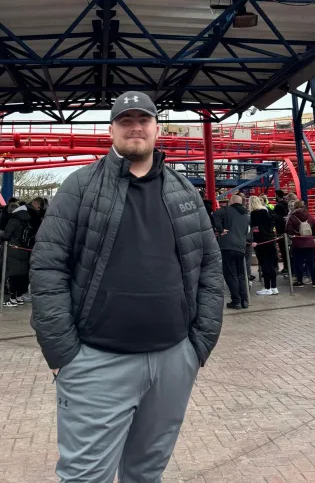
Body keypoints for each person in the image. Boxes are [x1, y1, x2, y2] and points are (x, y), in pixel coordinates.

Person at [30, 91, 223, 483]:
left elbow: (210, 267)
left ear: (156, 128)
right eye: (125, 120)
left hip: (174, 360)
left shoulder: (184, 192)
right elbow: (47, 267)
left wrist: (199, 345)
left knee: (147, 472)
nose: (135, 127)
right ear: (111, 130)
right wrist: (61, 353)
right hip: (96, 362)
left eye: (144, 119)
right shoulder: (79, 187)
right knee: (86, 475)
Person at [213, 193, 250, 309]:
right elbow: (248, 232)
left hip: (228, 246)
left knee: (230, 274)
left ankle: (236, 301)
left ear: (231, 202)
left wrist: (219, 229)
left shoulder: (226, 210)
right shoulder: (246, 214)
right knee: (241, 275)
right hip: (241, 247)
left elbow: (215, 215)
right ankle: (244, 300)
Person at [2, 200, 32, 306]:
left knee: (13, 274)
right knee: (21, 273)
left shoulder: (13, 221)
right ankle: (19, 296)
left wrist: (1, 235)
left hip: (13, 249)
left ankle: (12, 298)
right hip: (24, 249)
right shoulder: (27, 220)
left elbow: (6, 235)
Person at [285, 200, 315, 288]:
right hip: (309, 242)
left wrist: (293, 235)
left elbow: (288, 230)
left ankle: (300, 282)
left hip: (297, 242)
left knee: (298, 263)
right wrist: (313, 237)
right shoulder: (309, 216)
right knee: (311, 263)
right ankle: (314, 282)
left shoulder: (292, 217)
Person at [249, 195, 279, 296]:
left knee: (264, 264)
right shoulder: (267, 211)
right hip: (271, 239)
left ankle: (267, 288)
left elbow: (255, 229)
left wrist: (255, 240)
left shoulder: (254, 214)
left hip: (261, 241)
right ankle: (274, 287)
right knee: (271, 264)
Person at [273, 190, 290, 274]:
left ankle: (286, 267)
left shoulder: (278, 206)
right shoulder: (286, 205)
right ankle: (288, 268)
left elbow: (275, 218)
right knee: (287, 251)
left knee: (283, 250)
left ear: (277, 195)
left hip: (281, 231)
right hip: (287, 231)